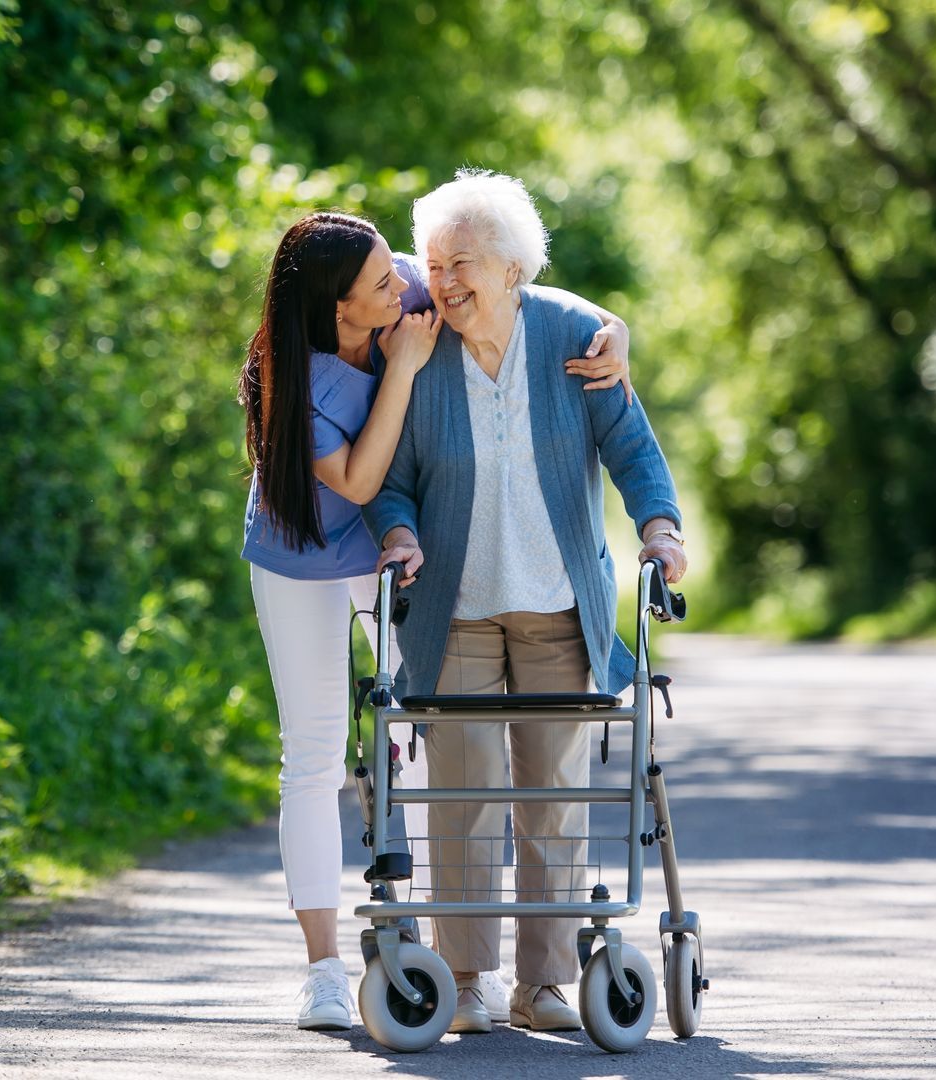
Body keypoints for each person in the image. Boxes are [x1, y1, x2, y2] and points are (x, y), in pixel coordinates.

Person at [238, 209, 637, 1031]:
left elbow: (508, 285)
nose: (411, 286)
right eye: (385, 283)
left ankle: (440, 949)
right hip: (307, 552)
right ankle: (321, 967)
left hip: (404, 550)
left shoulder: (399, 299)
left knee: (427, 736)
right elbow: (355, 479)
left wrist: (609, 326)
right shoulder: (296, 374)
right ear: (340, 308)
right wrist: (405, 370)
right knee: (313, 753)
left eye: (399, 271)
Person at [362, 170, 689, 1035]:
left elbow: (632, 445)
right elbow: (391, 478)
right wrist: (398, 533)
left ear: (514, 268)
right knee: (461, 801)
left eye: (463, 262)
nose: (445, 281)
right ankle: (465, 979)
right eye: (434, 264)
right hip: (454, 608)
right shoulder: (420, 347)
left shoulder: (576, 336)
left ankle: (542, 986)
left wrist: (660, 530)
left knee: (554, 799)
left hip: (556, 604)